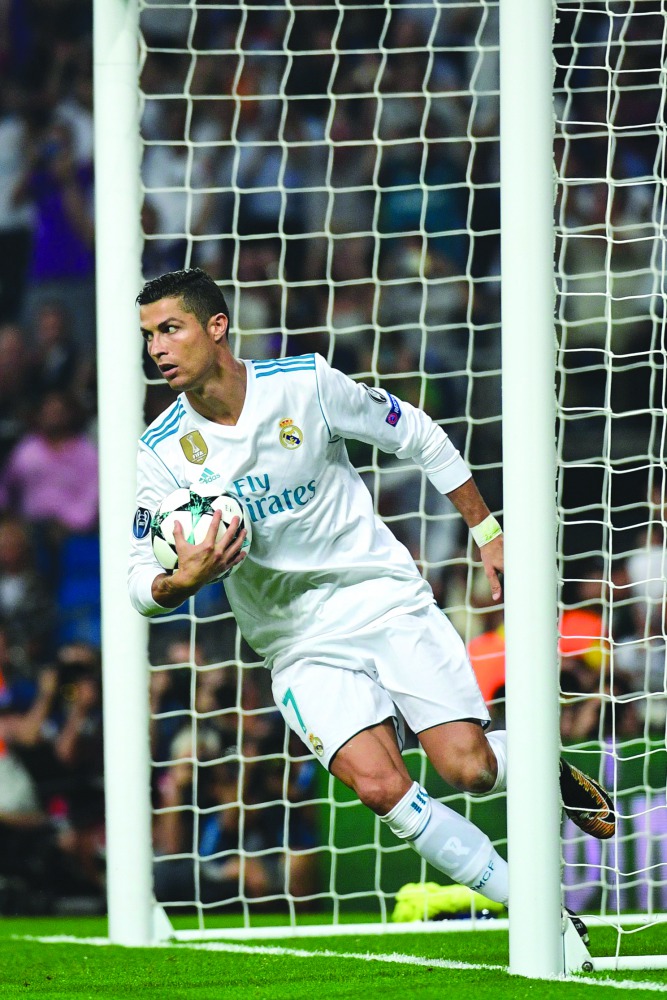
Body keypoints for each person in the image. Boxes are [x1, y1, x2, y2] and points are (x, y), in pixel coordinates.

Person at [128, 267, 615, 914]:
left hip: (380, 597)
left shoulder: (303, 385)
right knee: (382, 788)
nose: (156, 348)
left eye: (170, 329)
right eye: (148, 336)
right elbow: (137, 578)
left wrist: (488, 532)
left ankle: (540, 768)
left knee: (467, 769)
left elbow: (414, 431)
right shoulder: (159, 453)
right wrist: (178, 580)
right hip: (294, 641)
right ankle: (539, 914)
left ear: (217, 327)